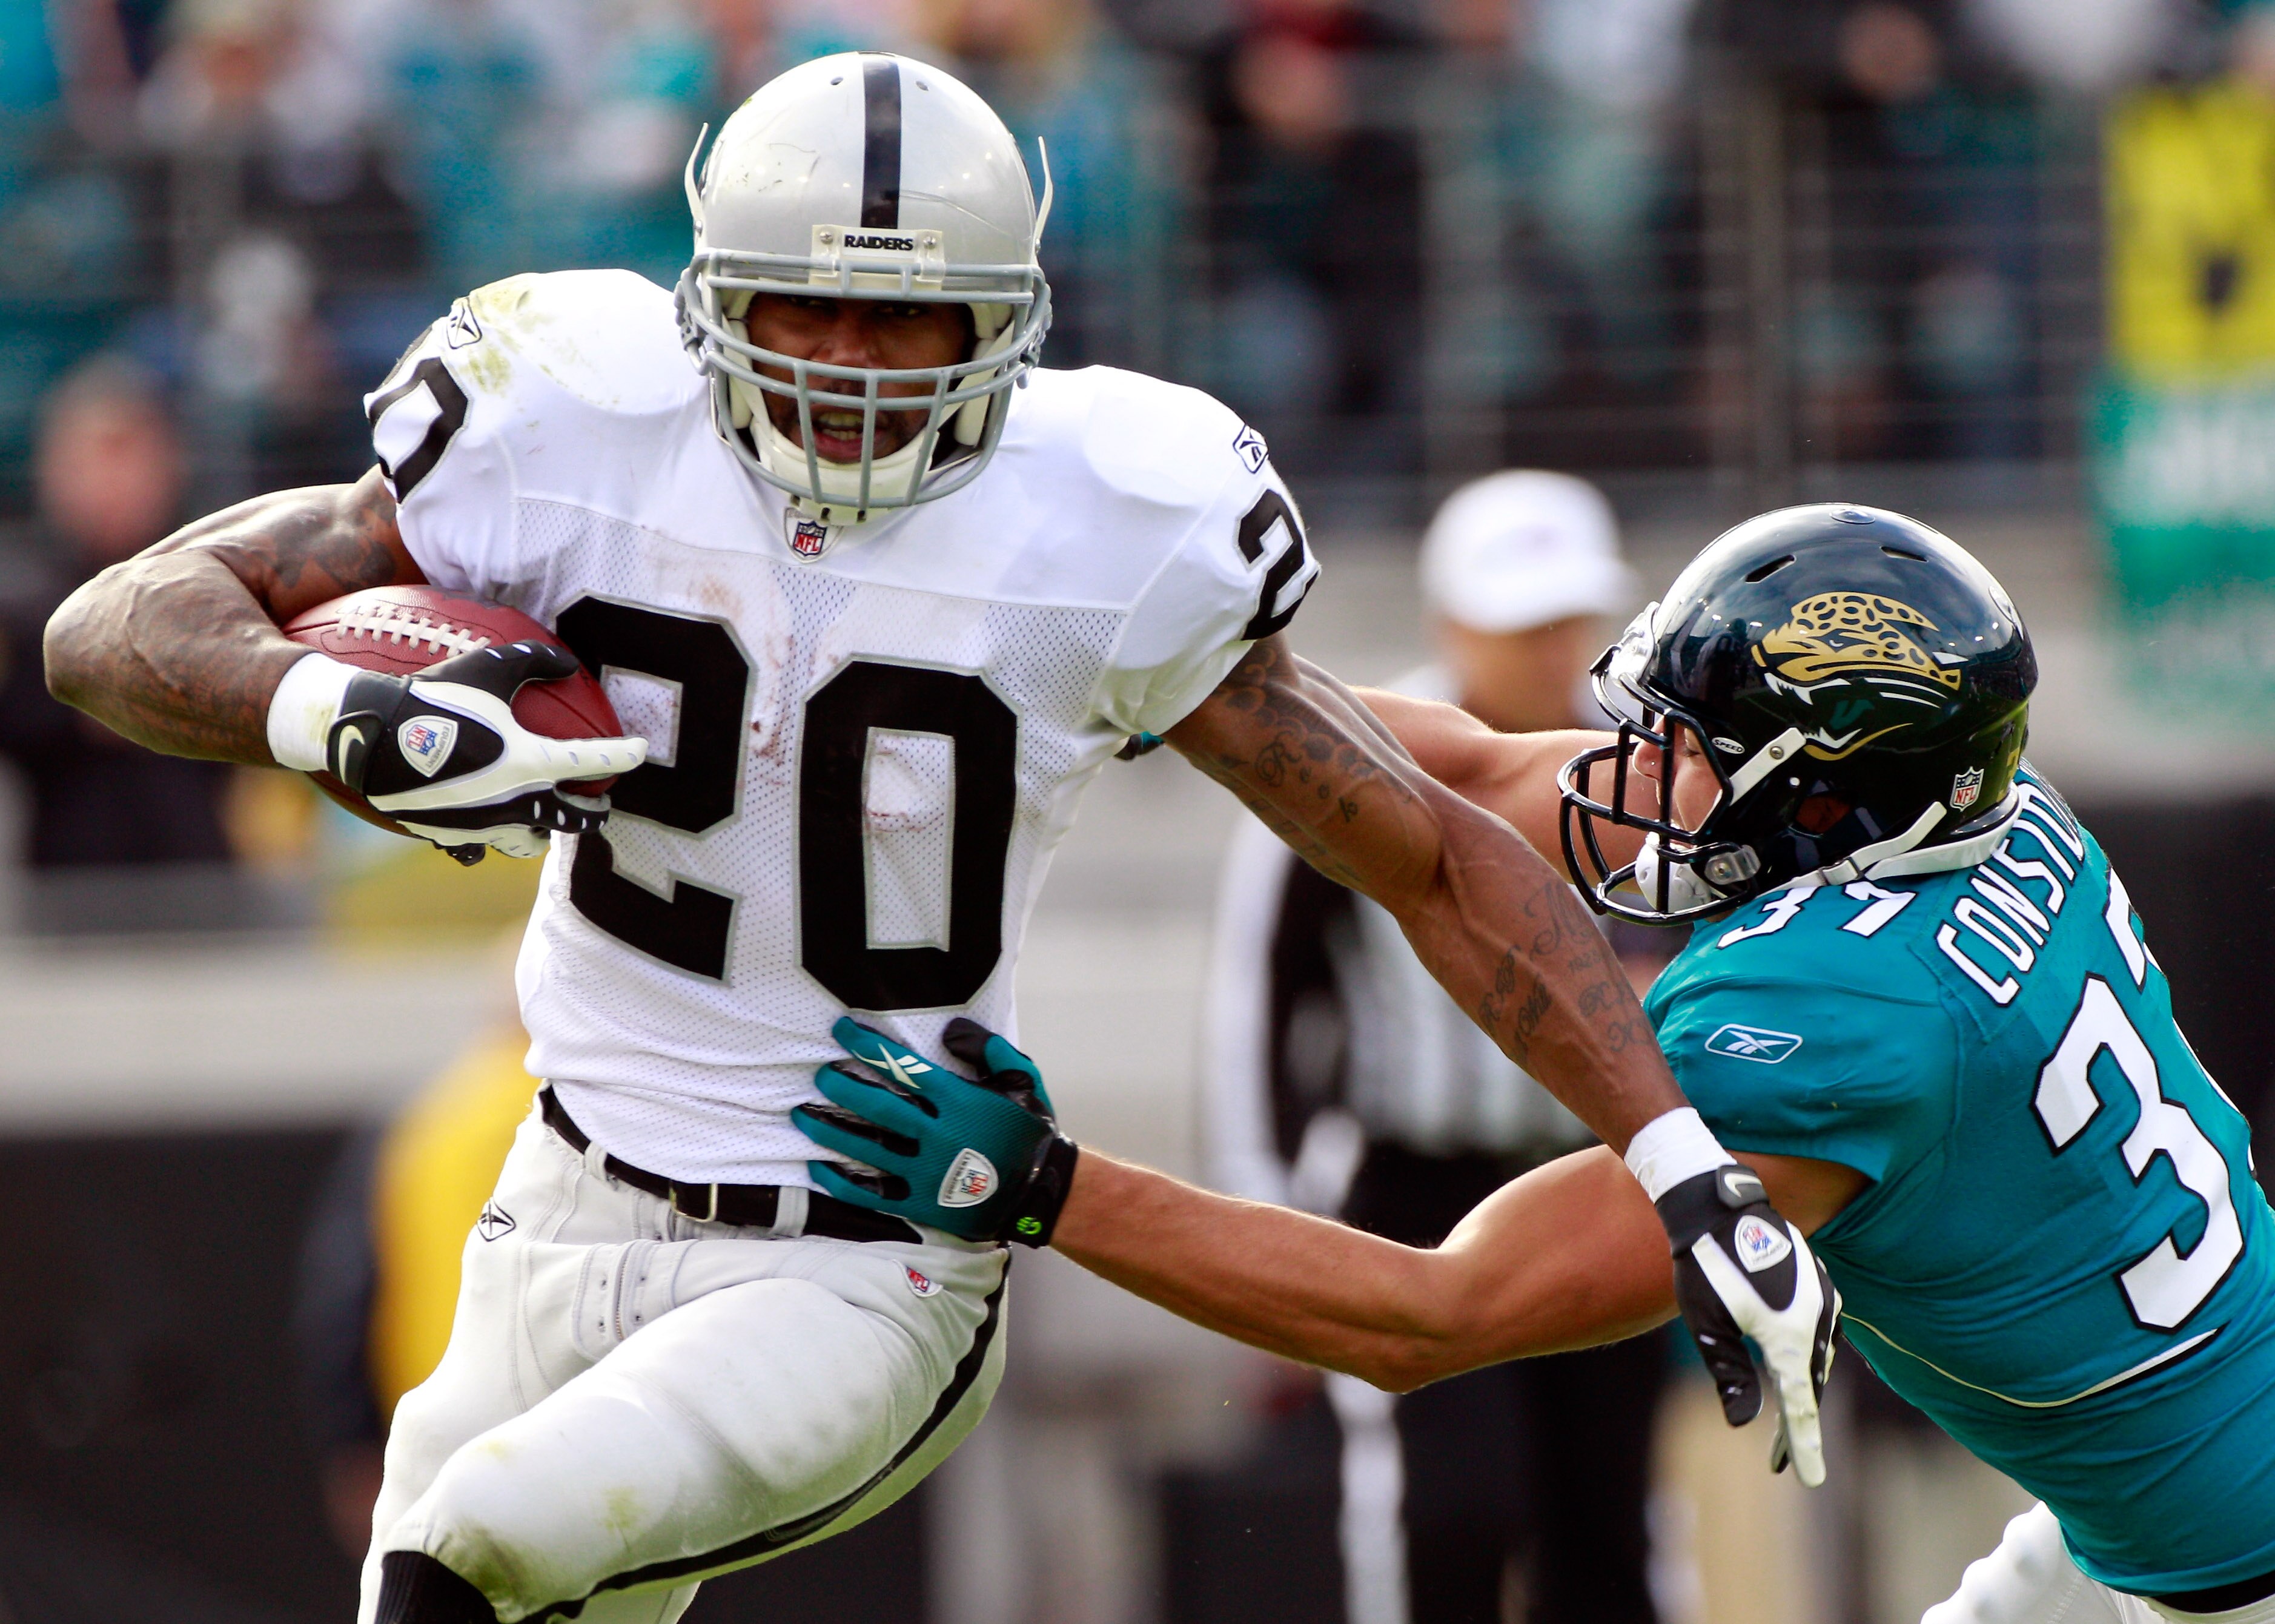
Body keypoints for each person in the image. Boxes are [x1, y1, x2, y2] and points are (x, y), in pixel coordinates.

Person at [41, 53, 1829, 1624]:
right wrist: (327, 713)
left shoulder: (1112, 525)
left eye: (908, 320)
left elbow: (1426, 852)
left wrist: (1678, 1163)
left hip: (863, 1235)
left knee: (468, 1547)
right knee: (449, 1574)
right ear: (705, 302)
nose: (853, 366)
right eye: (803, 312)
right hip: (557, 1200)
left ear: (1012, 329)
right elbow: (121, 623)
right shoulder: (559, 422)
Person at [797, 503, 2275, 1624]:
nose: (1642, 775)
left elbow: (1428, 1316)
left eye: (1698, 749)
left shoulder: (1837, 1025)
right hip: (2156, 1514)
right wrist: (1143, 697)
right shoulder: (1992, 815)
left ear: (1829, 801)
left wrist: (1049, 1187)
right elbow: (1485, 772)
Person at [1203, 468, 1660, 1624]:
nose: (1547, 649)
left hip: (1599, 1182)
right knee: (1452, 1504)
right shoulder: (1346, 757)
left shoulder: (1655, 775)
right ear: (1449, 623)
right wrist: (1275, 1226)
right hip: (1411, 1185)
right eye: (1518, 623)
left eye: (1565, 618)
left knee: (1604, 1520)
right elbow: (1260, 1002)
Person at [0, 358, 235, 872]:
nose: (114, 482)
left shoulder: (224, 582)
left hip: (209, 888)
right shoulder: (20, 599)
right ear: (53, 471)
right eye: (94, 459)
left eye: (131, 457)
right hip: (65, 891)